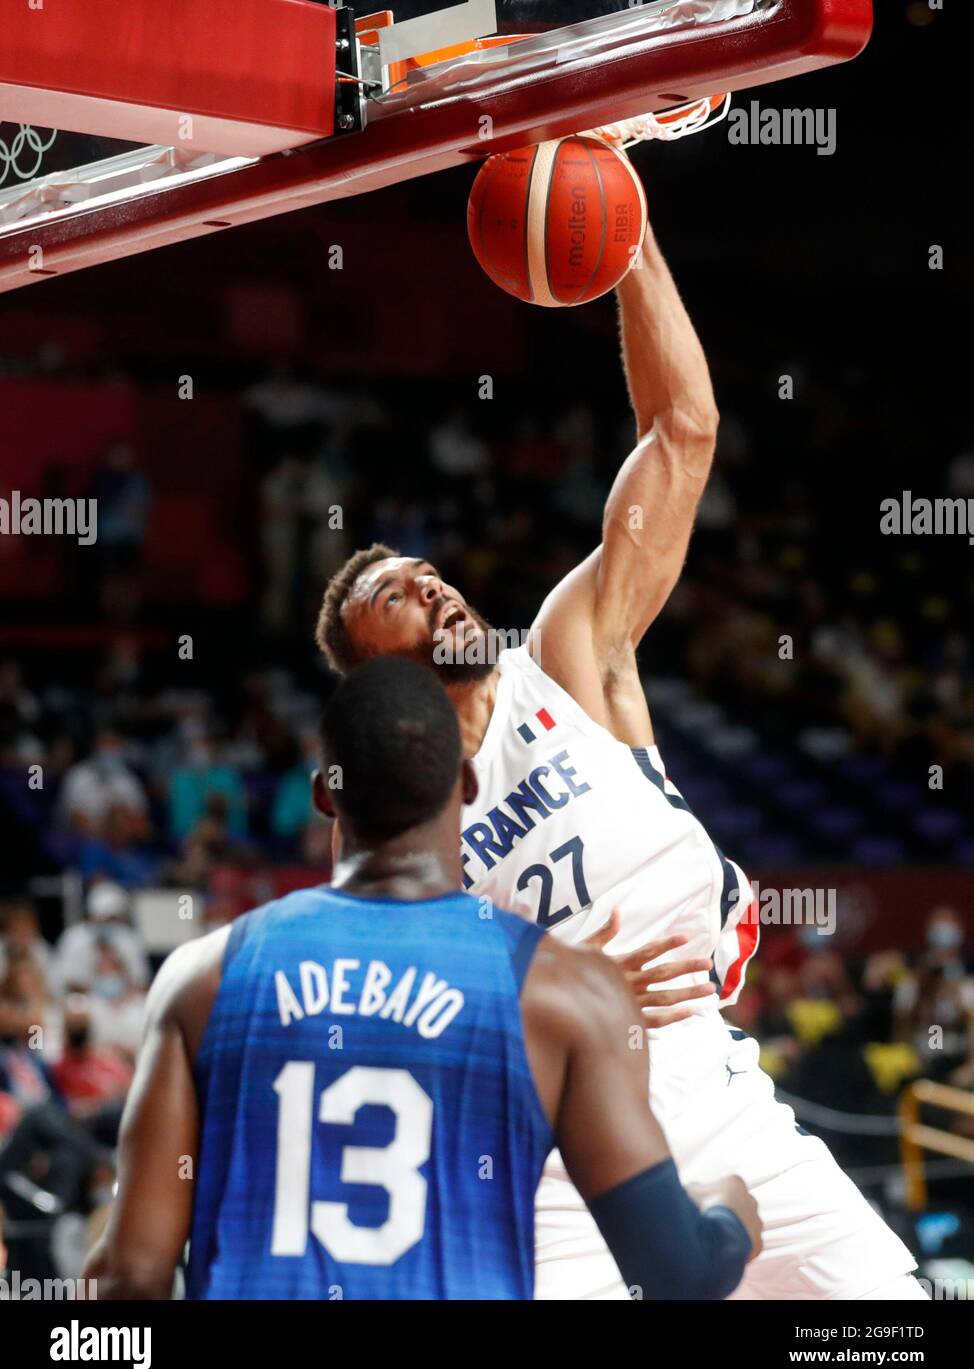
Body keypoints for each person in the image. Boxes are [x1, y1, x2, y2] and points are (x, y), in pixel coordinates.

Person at [314, 210, 926, 1300]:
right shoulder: (384, 808)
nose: (432, 584)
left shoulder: (564, 654)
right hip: (548, 1136)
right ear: (372, 674)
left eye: (425, 568)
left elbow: (682, 429)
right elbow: (375, 1006)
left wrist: (624, 226)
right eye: (394, 596)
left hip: (708, 1072)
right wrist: (558, 985)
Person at [84, 657, 759, 1300]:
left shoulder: (204, 976)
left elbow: (131, 1277)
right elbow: (681, 1276)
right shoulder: (561, 994)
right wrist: (729, 1213)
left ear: (324, 795)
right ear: (466, 783)